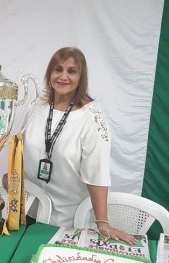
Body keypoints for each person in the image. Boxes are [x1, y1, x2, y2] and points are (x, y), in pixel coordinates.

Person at [7, 47, 135, 244]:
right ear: (50, 73)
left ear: (81, 77)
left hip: (68, 221)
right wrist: (13, 176)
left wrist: (102, 222)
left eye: (71, 71)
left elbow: (97, 173)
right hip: (27, 210)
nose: (63, 76)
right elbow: (22, 148)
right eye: (58, 69)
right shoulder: (37, 105)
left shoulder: (92, 118)